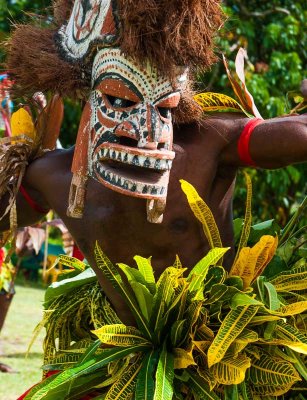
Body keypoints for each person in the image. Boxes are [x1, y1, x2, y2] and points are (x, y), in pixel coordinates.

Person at [1, 0, 307, 327]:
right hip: (125, 358)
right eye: (120, 102)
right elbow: (9, 215)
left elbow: (296, 136)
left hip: (222, 346)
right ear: (91, 102)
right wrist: (26, 149)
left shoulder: (207, 145)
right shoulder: (52, 177)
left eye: (163, 110)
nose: (145, 132)